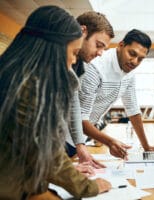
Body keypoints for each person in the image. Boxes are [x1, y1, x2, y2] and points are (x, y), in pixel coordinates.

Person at [0, 6, 111, 199]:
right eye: (73, 52)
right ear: (53, 48)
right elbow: (46, 151)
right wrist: (89, 187)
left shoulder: (16, 74)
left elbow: (32, 151)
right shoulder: (29, 87)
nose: (73, 60)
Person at [79, 29, 154, 159]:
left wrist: (147, 147)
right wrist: (110, 142)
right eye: (132, 53)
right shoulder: (95, 68)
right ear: (121, 45)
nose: (135, 62)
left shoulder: (129, 73)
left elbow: (133, 110)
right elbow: (80, 119)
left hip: (81, 138)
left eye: (140, 59)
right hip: (64, 137)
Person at [65, 11, 114, 169]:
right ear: (82, 31)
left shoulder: (78, 64)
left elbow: (74, 106)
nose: (100, 53)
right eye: (98, 45)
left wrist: (80, 146)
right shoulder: (57, 60)